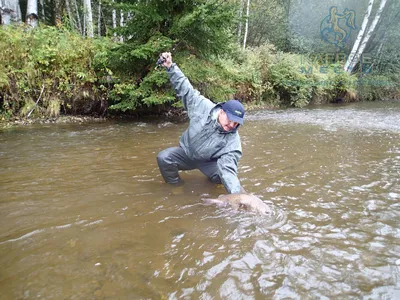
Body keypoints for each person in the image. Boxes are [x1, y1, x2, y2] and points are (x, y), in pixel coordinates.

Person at [156, 52, 245, 194]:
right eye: (230, 121)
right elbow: (185, 89)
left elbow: (228, 170)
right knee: (164, 158)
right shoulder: (203, 107)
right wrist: (170, 67)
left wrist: (237, 196)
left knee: (223, 179)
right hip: (187, 153)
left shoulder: (233, 142)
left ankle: (215, 184)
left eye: (237, 124)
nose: (232, 126)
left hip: (210, 162)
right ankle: (176, 188)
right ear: (222, 111)